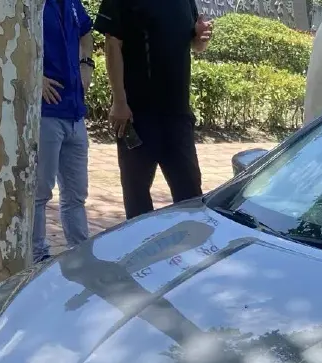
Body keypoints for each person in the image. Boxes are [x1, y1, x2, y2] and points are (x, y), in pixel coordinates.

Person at [94, 0, 213, 220]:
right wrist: (119, 101)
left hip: (177, 114)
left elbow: (195, 45)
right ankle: (140, 249)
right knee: (137, 199)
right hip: (137, 116)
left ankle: (191, 251)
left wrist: (200, 37)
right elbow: (112, 44)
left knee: (191, 197)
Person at [34, 0, 95, 264]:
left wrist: (86, 64)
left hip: (75, 113)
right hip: (45, 113)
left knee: (76, 194)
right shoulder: (30, 5)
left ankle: (80, 254)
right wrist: (34, 76)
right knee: (39, 192)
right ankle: (36, 257)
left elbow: (86, 31)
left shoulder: (72, 2)